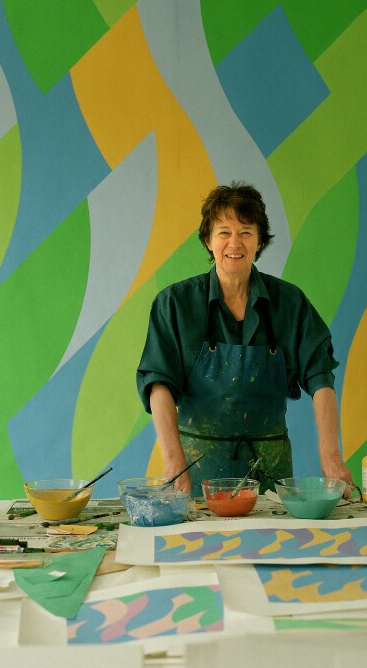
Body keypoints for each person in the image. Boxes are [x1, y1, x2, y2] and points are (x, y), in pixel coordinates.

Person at [136, 182, 354, 496]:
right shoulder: (174, 305)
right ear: (208, 240)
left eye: (246, 232)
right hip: (196, 475)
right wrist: (172, 461)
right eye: (224, 232)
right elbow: (158, 383)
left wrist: (331, 458)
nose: (234, 243)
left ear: (259, 241)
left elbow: (321, 378)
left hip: (271, 479)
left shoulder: (290, 303)